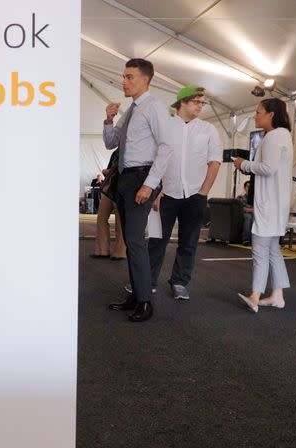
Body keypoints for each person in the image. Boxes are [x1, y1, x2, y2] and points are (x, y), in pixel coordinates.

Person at [102, 58, 172, 322]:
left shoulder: (155, 108)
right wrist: (109, 119)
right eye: (123, 76)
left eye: (130, 77)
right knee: (130, 242)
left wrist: (149, 184)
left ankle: (145, 301)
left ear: (146, 79)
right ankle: (137, 294)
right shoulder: (131, 111)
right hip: (125, 178)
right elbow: (110, 143)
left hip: (141, 177)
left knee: (134, 242)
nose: (124, 81)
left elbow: (166, 148)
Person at [147, 86, 222, 300]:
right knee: (156, 240)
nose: (201, 105)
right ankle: (148, 281)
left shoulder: (208, 129)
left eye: (202, 102)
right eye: (196, 101)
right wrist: (158, 189)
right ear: (182, 102)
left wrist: (203, 192)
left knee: (188, 242)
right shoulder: (166, 127)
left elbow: (214, 161)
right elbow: (157, 160)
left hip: (195, 195)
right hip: (167, 194)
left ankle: (179, 282)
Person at [233, 98, 292, 312]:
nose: (255, 116)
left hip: (269, 203)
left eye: (258, 112)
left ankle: (255, 296)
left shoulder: (274, 136)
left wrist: (243, 164)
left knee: (260, 249)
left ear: (271, 114)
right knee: (273, 250)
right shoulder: (282, 135)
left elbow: (268, 168)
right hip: (277, 202)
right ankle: (277, 295)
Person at [92, 150, 126, 260]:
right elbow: (111, 170)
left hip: (122, 189)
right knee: (101, 218)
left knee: (120, 222)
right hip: (110, 189)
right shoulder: (116, 152)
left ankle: (120, 252)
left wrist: (106, 171)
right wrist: (108, 171)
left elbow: (118, 170)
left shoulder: (132, 150)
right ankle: (102, 251)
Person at [237, 181, 253, 245]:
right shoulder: (240, 197)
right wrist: (251, 210)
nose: (249, 188)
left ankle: (254, 239)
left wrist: (250, 210)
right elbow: (241, 208)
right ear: (244, 188)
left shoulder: (256, 198)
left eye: (251, 187)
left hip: (253, 213)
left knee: (255, 217)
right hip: (243, 214)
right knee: (248, 217)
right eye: (248, 186)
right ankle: (246, 239)